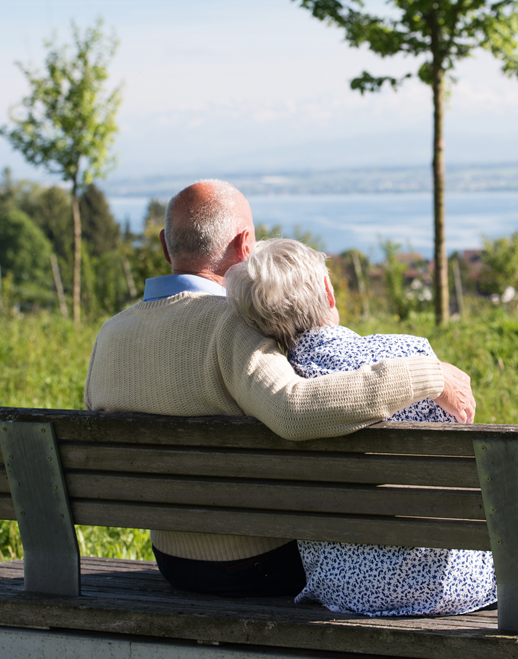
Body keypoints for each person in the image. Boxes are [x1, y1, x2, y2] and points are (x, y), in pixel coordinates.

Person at [83, 180, 475, 599]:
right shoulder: (232, 325)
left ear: (165, 245)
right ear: (245, 244)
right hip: (256, 564)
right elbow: (294, 410)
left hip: (172, 562)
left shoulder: (110, 334)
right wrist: (429, 376)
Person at [224, 238, 497, 617]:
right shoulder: (410, 356)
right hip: (445, 587)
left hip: (340, 589)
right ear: (328, 291)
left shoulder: (272, 389)